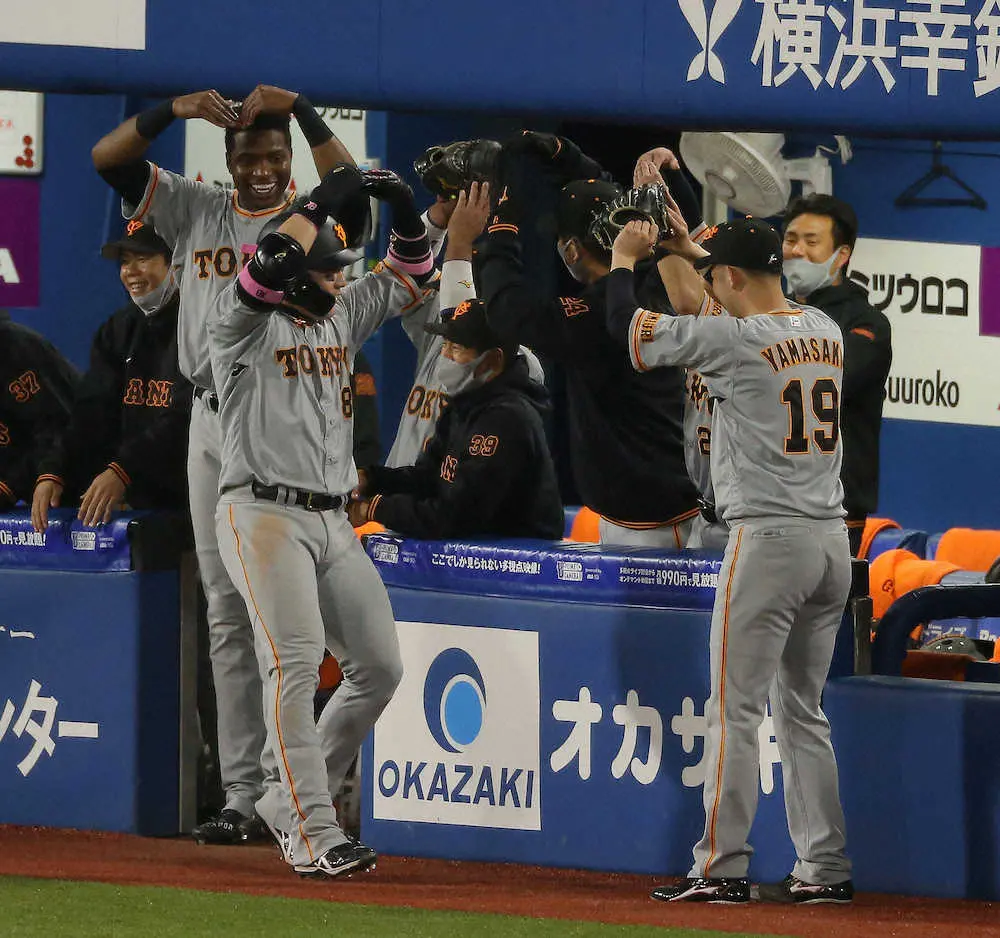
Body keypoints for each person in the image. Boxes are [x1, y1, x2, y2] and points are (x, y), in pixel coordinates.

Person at [93, 84, 361, 845]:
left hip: (282, 417)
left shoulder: (304, 214)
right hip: (210, 416)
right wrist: (171, 112)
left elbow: (352, 186)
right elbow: (105, 157)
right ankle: (245, 794)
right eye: (253, 157)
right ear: (230, 159)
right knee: (223, 606)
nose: (266, 169)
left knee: (284, 621)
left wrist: (307, 112)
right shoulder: (194, 208)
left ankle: (290, 783)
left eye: (276, 157)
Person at [607, 217, 853, 905]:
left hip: (770, 541)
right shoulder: (823, 327)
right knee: (803, 712)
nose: (710, 283)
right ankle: (824, 867)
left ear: (734, 278)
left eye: (716, 275)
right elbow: (743, 285)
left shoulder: (734, 341)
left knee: (735, 712)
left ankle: (720, 866)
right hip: (831, 543)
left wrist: (627, 261)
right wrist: (693, 252)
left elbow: (633, 335)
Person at [209, 163, 434, 877]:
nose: (341, 277)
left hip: (332, 520)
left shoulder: (341, 313)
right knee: (296, 663)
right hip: (261, 513)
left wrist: (401, 201)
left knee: (379, 666)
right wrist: (315, 200)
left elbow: (412, 266)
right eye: (330, 269)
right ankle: (313, 831)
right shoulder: (238, 326)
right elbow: (268, 261)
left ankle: (287, 797)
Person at [477, 132, 699, 548]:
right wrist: (569, 157)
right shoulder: (660, 276)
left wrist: (500, 224)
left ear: (572, 250)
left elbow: (507, 307)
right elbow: (611, 208)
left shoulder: (597, 314)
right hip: (685, 505)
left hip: (649, 526)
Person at [350, 297, 563, 540]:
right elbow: (428, 478)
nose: (446, 355)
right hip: (477, 558)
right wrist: (371, 479)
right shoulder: (464, 404)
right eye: (446, 344)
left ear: (492, 360)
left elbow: (455, 516)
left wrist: (373, 509)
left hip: (521, 565)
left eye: (457, 348)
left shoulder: (507, 418)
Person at [31, 222, 192, 533]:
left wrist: (123, 471)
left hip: (191, 496)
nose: (131, 271)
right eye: (125, 261)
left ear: (176, 263)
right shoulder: (118, 330)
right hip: (136, 492)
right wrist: (54, 470)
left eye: (143, 259)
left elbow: (185, 418)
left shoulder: (200, 326)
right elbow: (91, 413)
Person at [385, 186, 544, 469]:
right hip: (400, 492)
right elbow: (408, 269)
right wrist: (436, 221)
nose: (440, 294)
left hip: (451, 501)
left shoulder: (521, 362)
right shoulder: (438, 337)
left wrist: (458, 241)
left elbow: (464, 323)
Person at [782, 194, 891, 557]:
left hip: (836, 507)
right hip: (773, 500)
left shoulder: (866, 324)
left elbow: (820, 383)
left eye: (811, 242)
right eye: (790, 239)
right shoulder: (770, 314)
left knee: (825, 613)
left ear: (841, 255)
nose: (797, 250)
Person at [0, 312, 78, 510]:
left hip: (81, 485)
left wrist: (9, 485)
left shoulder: (14, 347)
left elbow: (56, 424)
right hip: (32, 494)